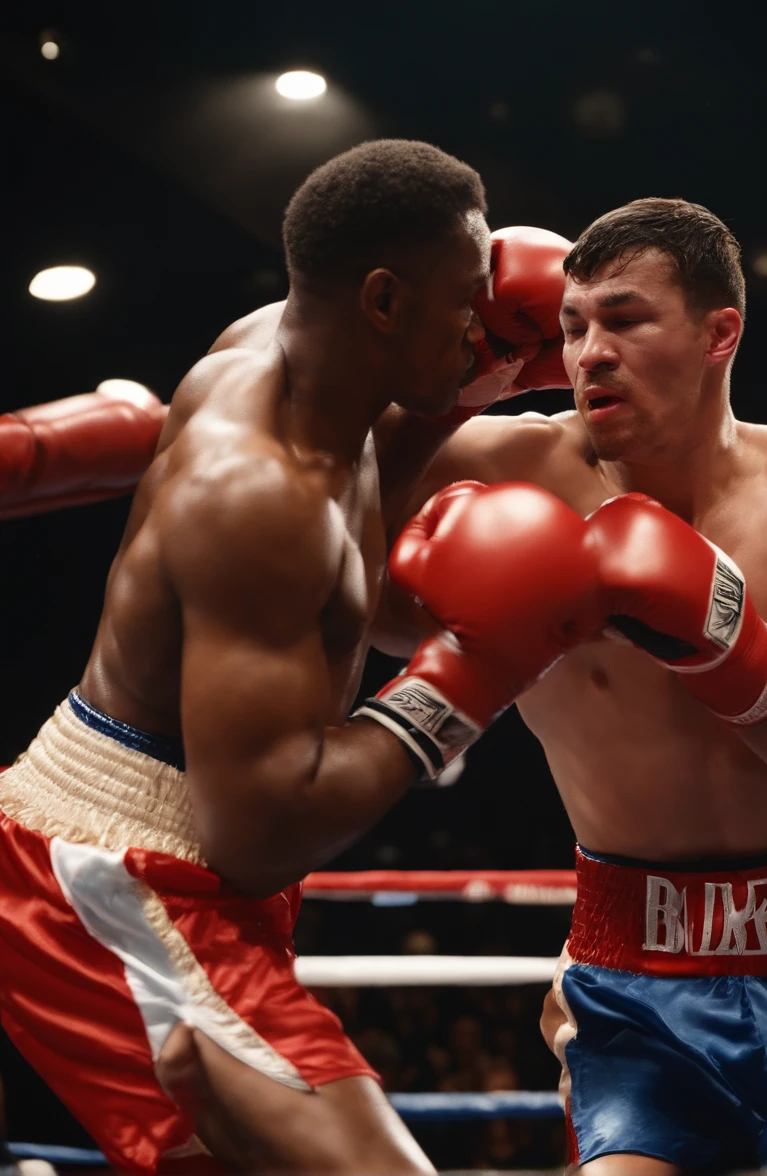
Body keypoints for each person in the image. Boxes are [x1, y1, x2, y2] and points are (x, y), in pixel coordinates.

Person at [0, 140, 579, 1175]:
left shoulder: (295, 358)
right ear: (385, 300)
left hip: (158, 847)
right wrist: (480, 667)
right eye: (465, 302)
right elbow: (262, 830)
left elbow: (358, 524)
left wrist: (467, 384)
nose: (481, 322)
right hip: (131, 877)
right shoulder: (259, 500)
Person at [378, 198, 767, 1173]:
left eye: (623, 319)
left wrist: (722, 644)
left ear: (716, 333)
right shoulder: (503, 470)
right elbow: (317, 572)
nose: (586, 354)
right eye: (569, 329)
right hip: (633, 975)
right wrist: (434, 408)